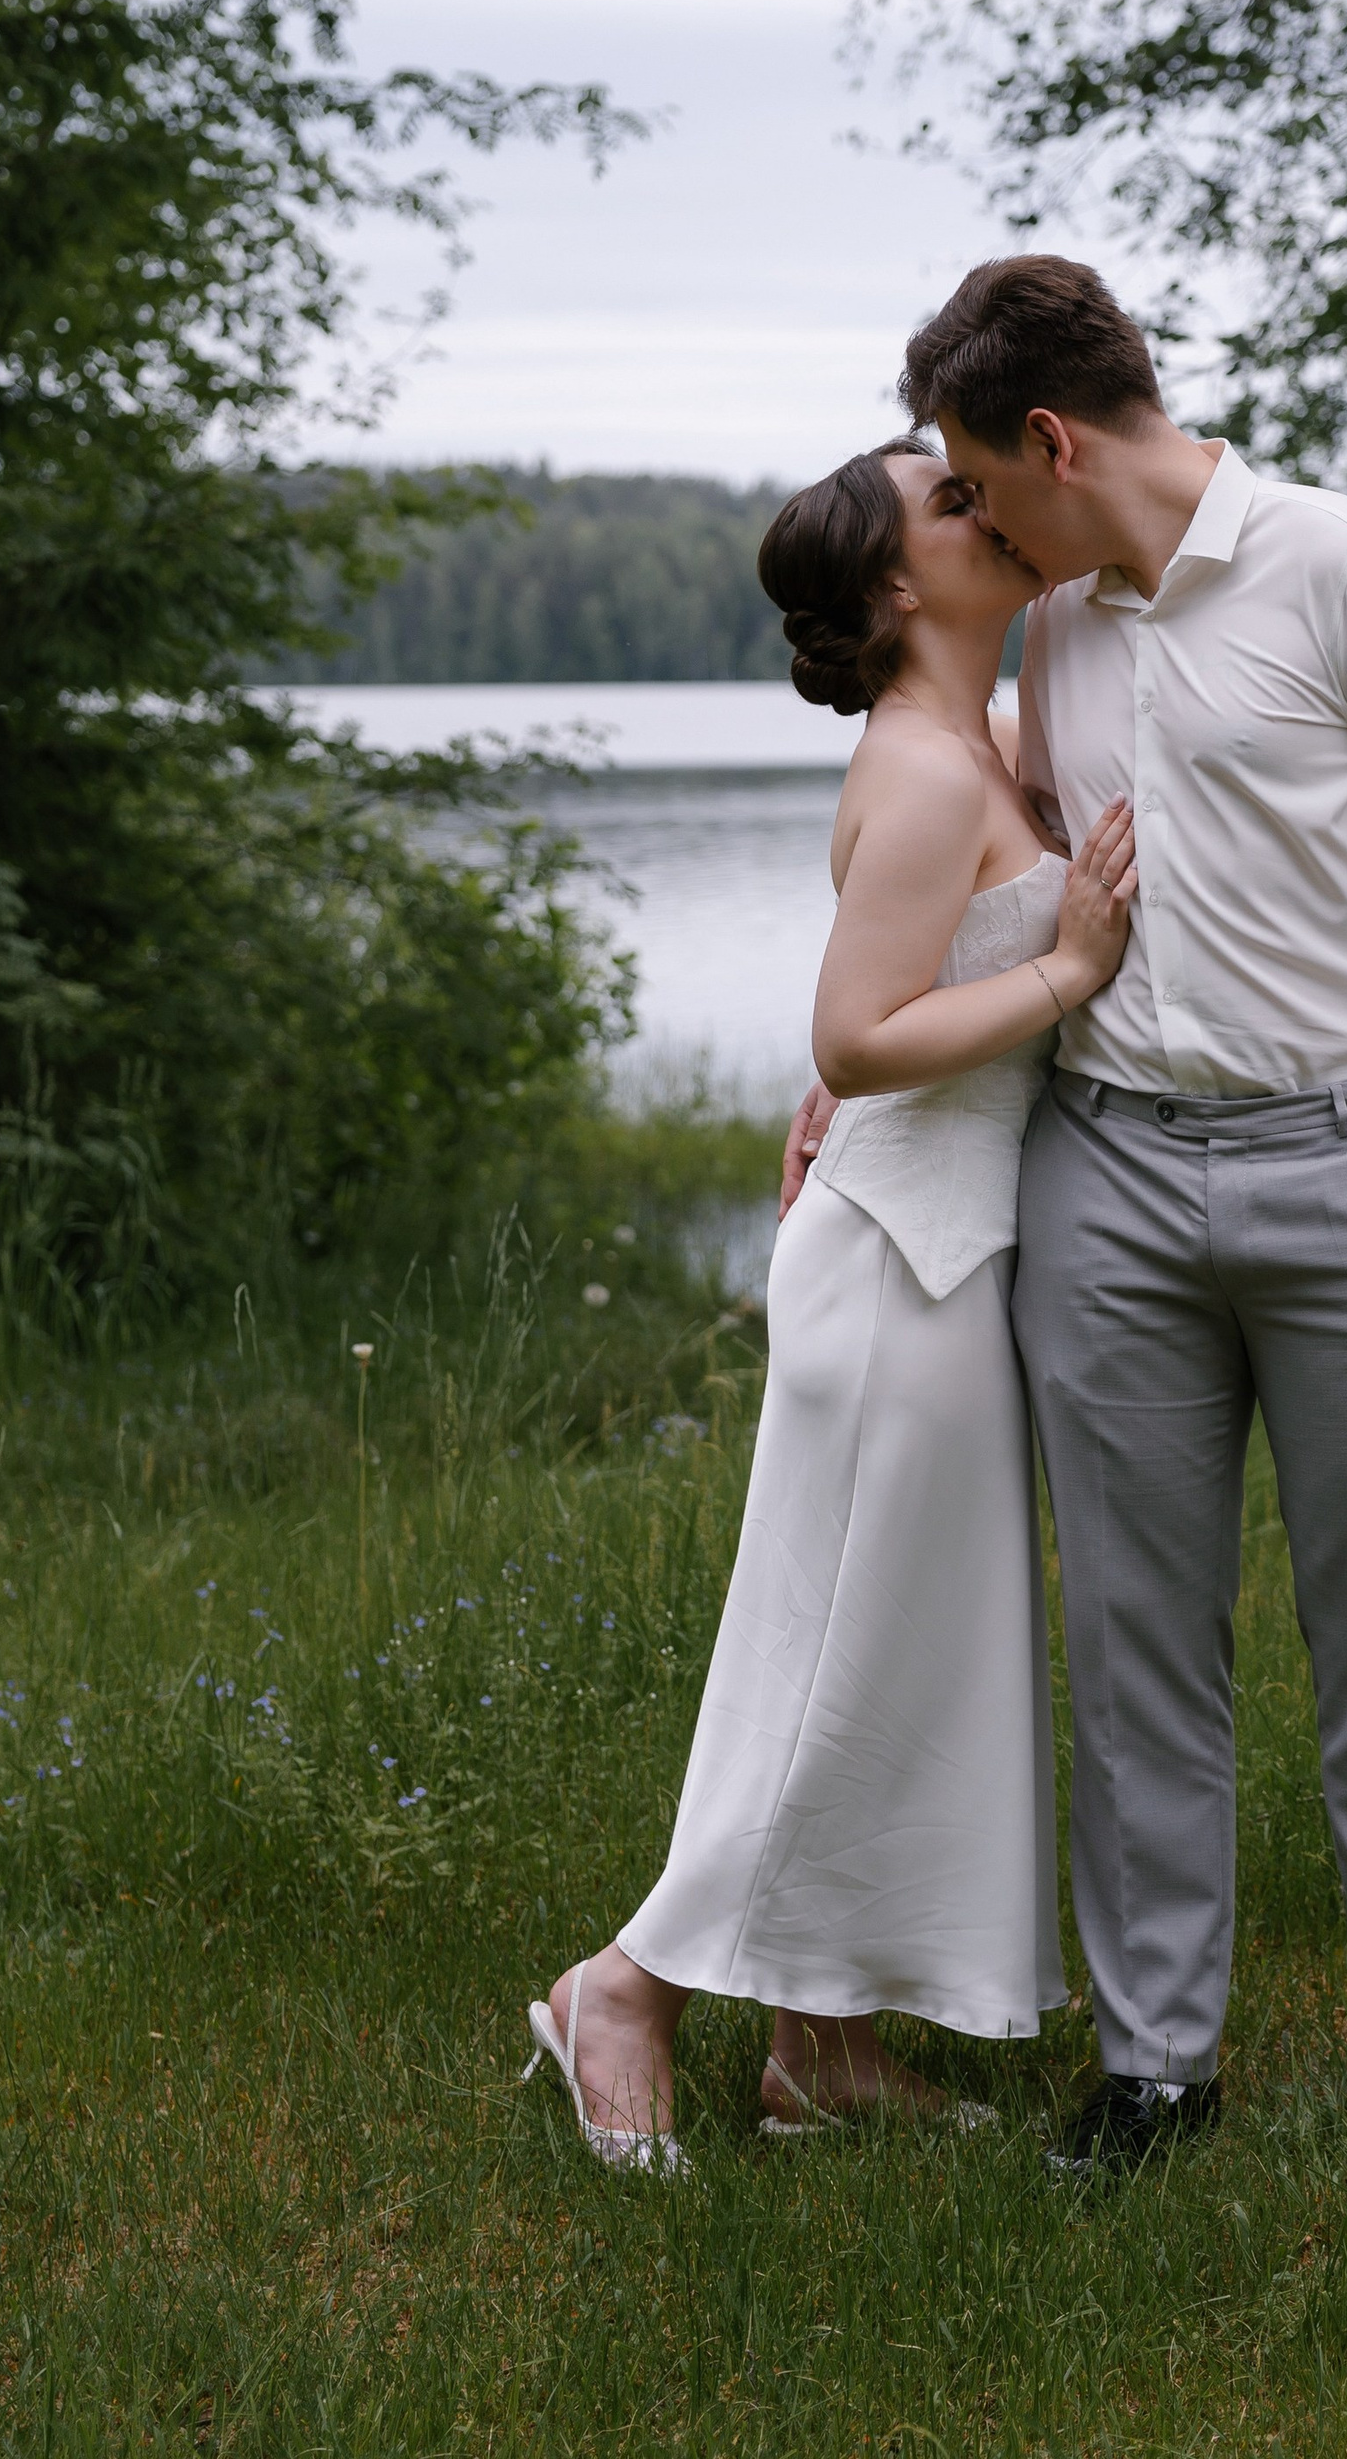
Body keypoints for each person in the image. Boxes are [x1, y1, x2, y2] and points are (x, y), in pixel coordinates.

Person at [785, 255, 1347, 2199]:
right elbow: (999, 873)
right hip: (1110, 1185)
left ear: (1049, 442)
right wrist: (846, 1067)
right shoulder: (1067, 629)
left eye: (972, 485)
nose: (971, 526)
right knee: (1135, 1652)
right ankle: (1152, 2070)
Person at [526, 436, 1136, 2165]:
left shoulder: (993, 740)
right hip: (897, 1265)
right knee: (828, 1665)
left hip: (950, 1253)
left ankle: (826, 2050)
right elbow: (855, 1037)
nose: (989, 505)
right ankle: (624, 1988)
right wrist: (1066, 969)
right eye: (952, 504)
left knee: (902, 1660)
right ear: (892, 587)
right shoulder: (937, 771)